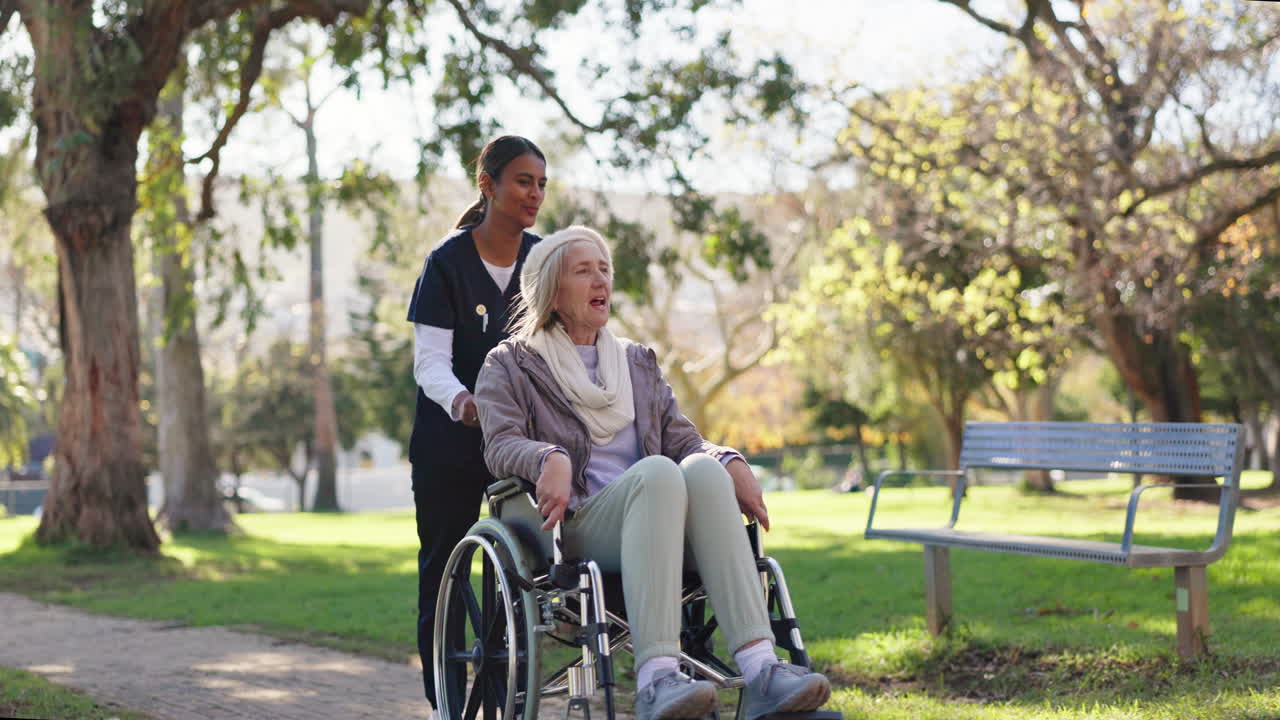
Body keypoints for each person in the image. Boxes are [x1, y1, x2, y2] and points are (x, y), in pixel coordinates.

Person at [475, 225, 832, 720]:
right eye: (583, 271)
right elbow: (500, 445)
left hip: (662, 516)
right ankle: (657, 678)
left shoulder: (635, 361)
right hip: (579, 524)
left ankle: (762, 670)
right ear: (552, 293)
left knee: (702, 470)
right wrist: (546, 457)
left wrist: (730, 461)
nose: (600, 280)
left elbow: (684, 440)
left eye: (604, 269)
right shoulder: (511, 364)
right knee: (660, 473)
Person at [405, 135, 546, 714]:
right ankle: (445, 703)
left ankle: (501, 699)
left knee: (520, 577)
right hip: (449, 446)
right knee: (443, 573)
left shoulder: (543, 261)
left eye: (541, 184)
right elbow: (429, 363)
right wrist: (464, 402)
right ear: (487, 185)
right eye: (523, 181)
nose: (534, 194)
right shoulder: (446, 264)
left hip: (518, 445)